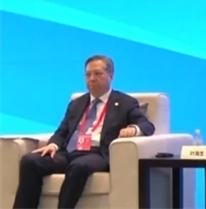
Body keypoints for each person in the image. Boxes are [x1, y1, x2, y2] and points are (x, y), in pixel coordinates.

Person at [13, 55, 155, 209]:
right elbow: (62, 131)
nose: (92, 79)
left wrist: (134, 129)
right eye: (88, 75)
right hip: (69, 152)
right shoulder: (77, 103)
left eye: (97, 74)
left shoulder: (125, 102)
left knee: (78, 166)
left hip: (97, 153)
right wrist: (53, 145)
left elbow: (147, 125)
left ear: (111, 75)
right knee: (30, 161)